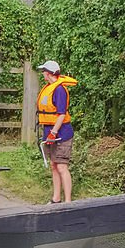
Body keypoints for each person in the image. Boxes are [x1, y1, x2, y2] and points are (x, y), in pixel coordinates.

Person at [36, 60, 78, 203]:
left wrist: (53, 132)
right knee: (54, 165)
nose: (42, 74)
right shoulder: (49, 87)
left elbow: (61, 114)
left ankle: (68, 202)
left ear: (48, 73)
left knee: (61, 166)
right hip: (50, 132)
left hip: (62, 134)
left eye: (43, 71)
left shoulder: (59, 90)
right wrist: (49, 133)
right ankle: (56, 199)